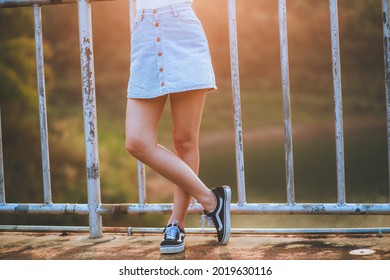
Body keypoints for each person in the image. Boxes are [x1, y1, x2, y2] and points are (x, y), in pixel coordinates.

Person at [125, 0, 231, 254]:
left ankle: (176, 224)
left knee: (184, 140)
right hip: (143, 33)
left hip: (180, 25)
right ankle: (210, 199)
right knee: (136, 141)